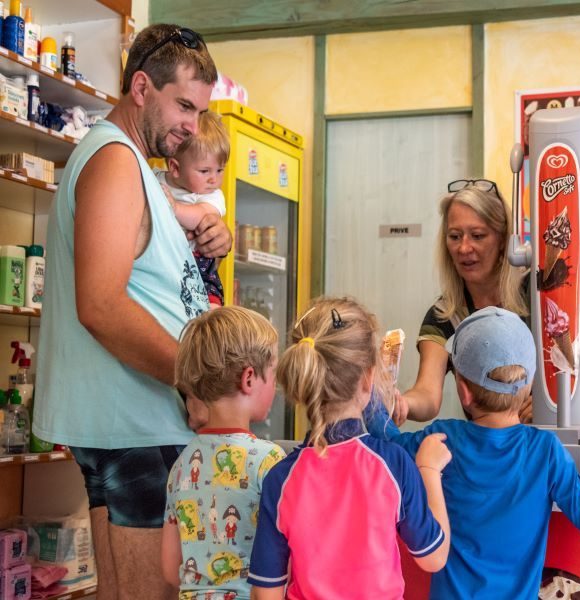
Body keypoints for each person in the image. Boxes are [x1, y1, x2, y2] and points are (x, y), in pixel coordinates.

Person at [33, 24, 231, 600]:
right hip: (134, 426)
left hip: (135, 425)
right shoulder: (116, 160)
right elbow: (100, 304)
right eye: (184, 106)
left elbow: (136, 271)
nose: (192, 127)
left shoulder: (130, 164)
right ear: (142, 87)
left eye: (200, 112)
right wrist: (193, 382)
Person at [366, 306, 580, 598]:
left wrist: (374, 394)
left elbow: (383, 446)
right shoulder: (544, 451)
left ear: (463, 392)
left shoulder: (441, 440)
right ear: (529, 386)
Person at [248, 297, 451, 599]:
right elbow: (433, 557)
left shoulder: (280, 480)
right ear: (368, 378)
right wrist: (429, 471)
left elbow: (267, 594)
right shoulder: (392, 464)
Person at [162, 306, 286, 599]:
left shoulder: (181, 464)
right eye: (273, 374)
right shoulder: (270, 461)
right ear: (249, 378)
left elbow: (170, 569)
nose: (276, 384)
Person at [394, 179, 530, 424]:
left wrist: (543, 404)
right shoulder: (444, 315)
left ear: (502, 241)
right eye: (455, 236)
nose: (464, 248)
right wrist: (399, 403)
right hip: (488, 452)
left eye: (477, 236)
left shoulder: (537, 295)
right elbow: (427, 394)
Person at [154, 110, 229, 307]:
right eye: (204, 171)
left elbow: (201, 216)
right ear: (175, 168)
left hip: (198, 262)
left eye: (220, 170)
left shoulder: (211, 195)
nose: (214, 179)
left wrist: (175, 208)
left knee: (210, 305)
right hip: (164, 261)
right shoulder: (155, 179)